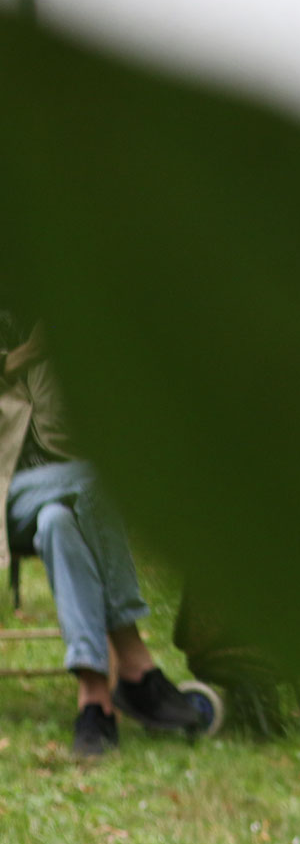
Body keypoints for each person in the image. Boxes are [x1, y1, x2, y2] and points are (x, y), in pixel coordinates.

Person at [1, 315, 207, 757]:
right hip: (5, 492)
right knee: (97, 480)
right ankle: (133, 659)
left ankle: (94, 702)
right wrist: (27, 355)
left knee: (58, 523)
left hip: (60, 495)